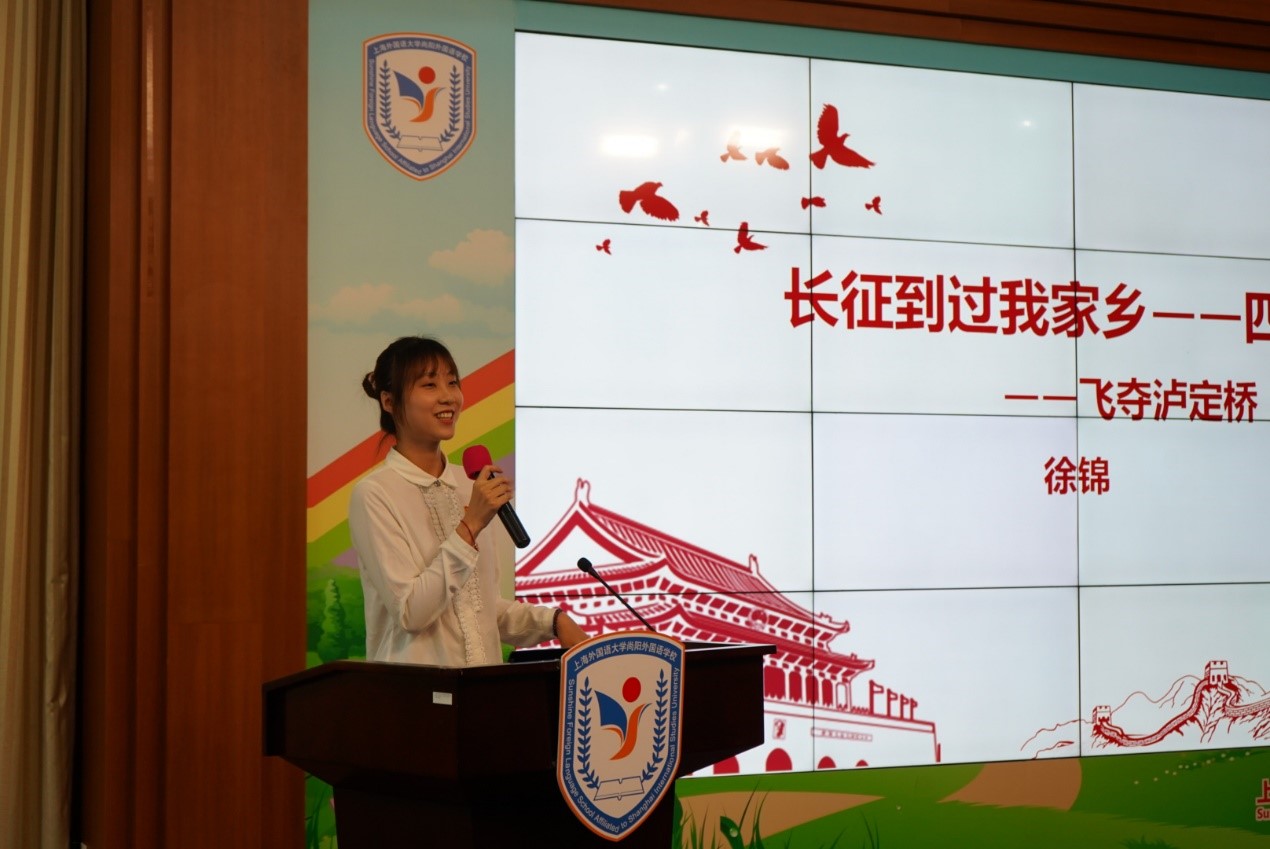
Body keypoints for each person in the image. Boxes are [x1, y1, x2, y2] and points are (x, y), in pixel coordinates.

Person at [348, 336, 588, 664]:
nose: (448, 396)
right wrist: (471, 524)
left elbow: (483, 609)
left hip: (482, 688)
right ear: (389, 401)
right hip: (414, 689)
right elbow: (411, 612)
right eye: (429, 385)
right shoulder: (375, 494)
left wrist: (554, 622)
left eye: (452, 382)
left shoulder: (469, 485)